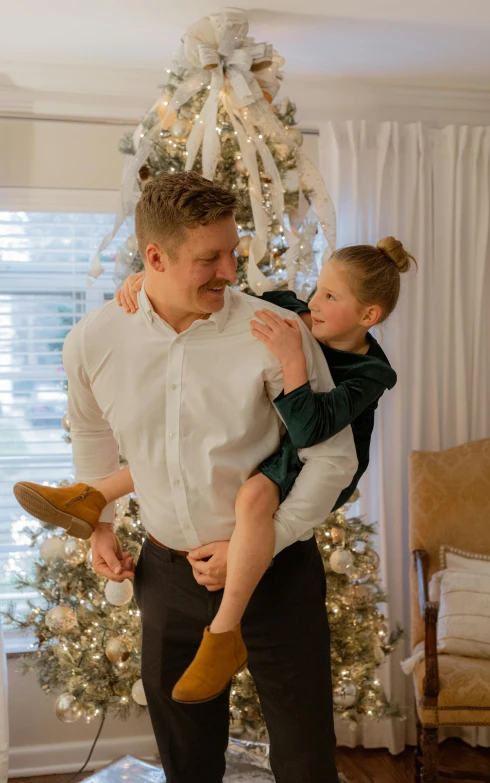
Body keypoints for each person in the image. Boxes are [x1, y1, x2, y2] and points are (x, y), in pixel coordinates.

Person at [14, 172, 357, 783]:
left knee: (305, 758)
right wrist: (100, 527)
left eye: (234, 252)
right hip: (166, 577)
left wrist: (262, 544)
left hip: (277, 575)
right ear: (155, 258)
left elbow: (333, 458)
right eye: (210, 259)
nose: (230, 271)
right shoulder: (94, 340)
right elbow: (93, 434)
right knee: (186, 758)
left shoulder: (275, 334)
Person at [13, 227, 415, 707]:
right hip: (221, 502)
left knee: (252, 499)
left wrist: (292, 361)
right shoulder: (297, 312)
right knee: (191, 445)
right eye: (317, 289)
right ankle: (93, 496)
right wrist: (149, 281)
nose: (314, 303)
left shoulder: (372, 373)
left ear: (369, 315)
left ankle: (224, 632)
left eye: (330, 296)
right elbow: (232, 291)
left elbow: (315, 436)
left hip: (304, 454)